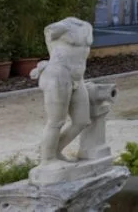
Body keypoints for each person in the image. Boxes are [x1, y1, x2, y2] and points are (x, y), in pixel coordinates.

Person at [31, 17, 94, 165]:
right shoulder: (60, 27)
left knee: (82, 120)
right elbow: (49, 32)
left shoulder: (86, 26)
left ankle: (55, 151)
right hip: (58, 75)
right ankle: (47, 159)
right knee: (56, 121)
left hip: (77, 78)